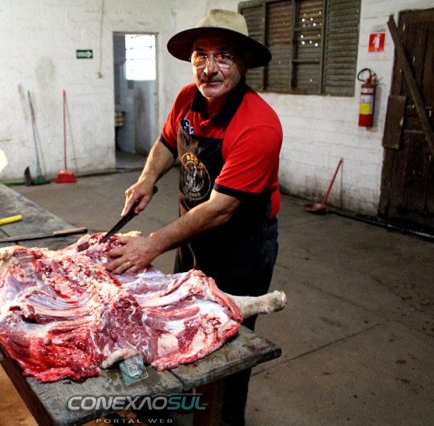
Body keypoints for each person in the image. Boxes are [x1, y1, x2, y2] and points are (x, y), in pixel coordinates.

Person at [105, 9, 282, 425]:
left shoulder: (258, 126)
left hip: (241, 249)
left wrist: (151, 244)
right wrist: (147, 179)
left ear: (244, 62)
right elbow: (168, 143)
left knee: (228, 343)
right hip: (191, 238)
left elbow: (222, 209)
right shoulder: (187, 98)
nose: (210, 68)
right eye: (201, 55)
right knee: (176, 320)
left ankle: (225, 418)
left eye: (224, 56)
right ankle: (175, 407)